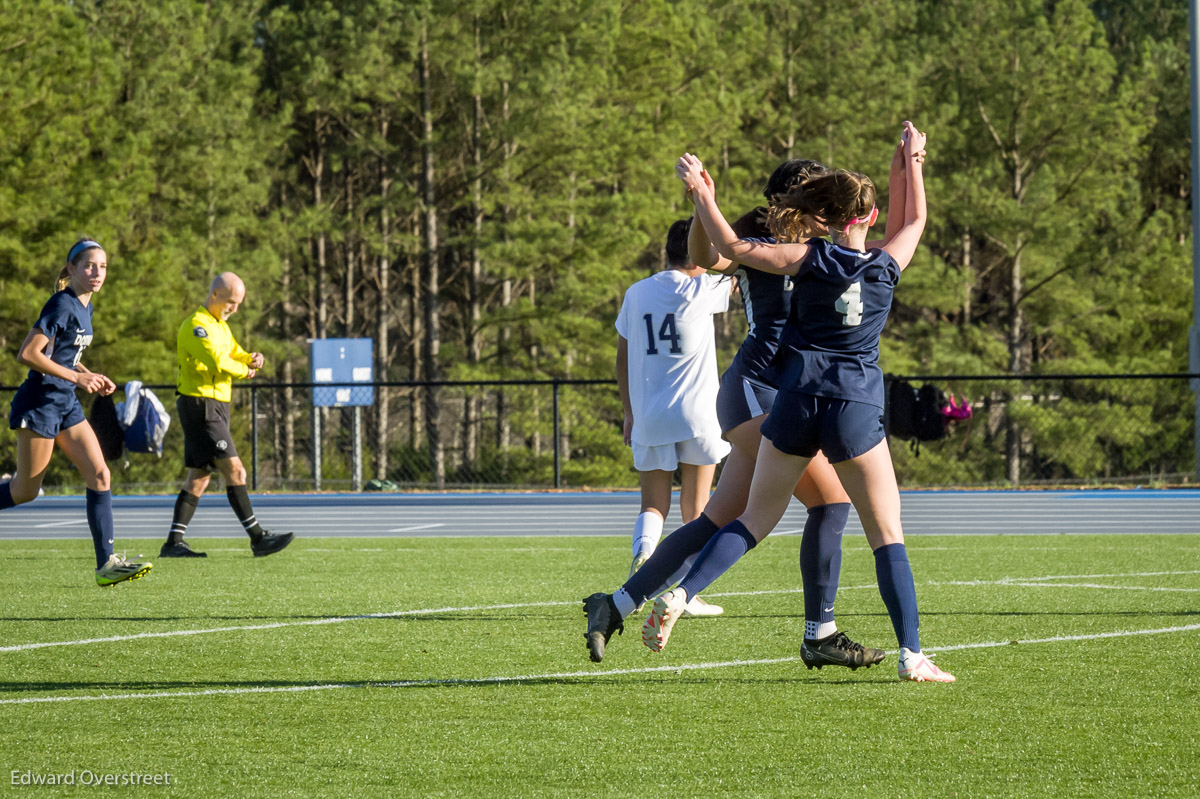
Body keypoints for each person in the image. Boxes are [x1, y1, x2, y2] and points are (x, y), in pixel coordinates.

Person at [640, 122, 955, 683]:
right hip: (853, 405)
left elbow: (733, 248)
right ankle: (912, 654)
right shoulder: (884, 265)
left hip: (793, 401)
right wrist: (911, 160)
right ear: (868, 218)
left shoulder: (807, 258)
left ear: (827, 218)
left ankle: (685, 593)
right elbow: (915, 220)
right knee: (887, 534)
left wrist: (703, 196)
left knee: (754, 518)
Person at [583, 156, 907, 668]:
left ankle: (615, 603)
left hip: (776, 388)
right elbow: (707, 256)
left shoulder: (818, 242)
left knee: (720, 515)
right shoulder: (770, 234)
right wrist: (701, 205)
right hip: (762, 387)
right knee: (828, 502)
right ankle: (812, 630)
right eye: (819, 196)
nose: (826, 209)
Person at [0, 238, 152, 586]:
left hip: (65, 403)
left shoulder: (86, 307)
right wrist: (76, 379)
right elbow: (29, 353)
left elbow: (67, 353)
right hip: (40, 404)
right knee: (24, 490)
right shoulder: (62, 304)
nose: (97, 272)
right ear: (71, 269)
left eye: (103, 266)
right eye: (88, 265)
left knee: (100, 475)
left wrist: (89, 375)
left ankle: (107, 565)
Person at [614, 219, 731, 618]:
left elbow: (622, 357)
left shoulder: (637, 292)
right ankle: (686, 593)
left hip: (649, 411)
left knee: (653, 504)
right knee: (697, 510)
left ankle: (645, 554)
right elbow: (738, 267)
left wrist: (629, 412)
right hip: (698, 412)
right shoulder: (706, 286)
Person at [158, 272, 293, 559]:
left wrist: (252, 358)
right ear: (215, 294)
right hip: (201, 405)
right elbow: (218, 361)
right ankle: (258, 538)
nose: (235, 308)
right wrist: (245, 370)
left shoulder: (220, 326)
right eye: (231, 301)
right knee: (237, 471)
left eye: (239, 303)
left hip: (216, 404)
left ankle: (173, 543)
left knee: (199, 476)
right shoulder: (196, 326)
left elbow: (234, 352)